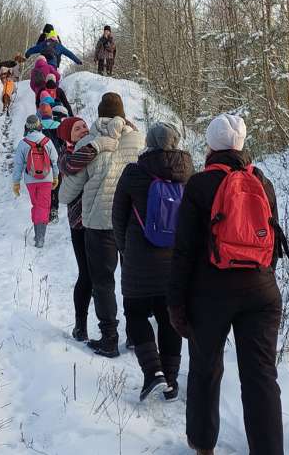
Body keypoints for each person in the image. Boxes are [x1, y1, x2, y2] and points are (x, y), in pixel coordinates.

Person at [167, 113, 285, 455]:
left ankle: (203, 445)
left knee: (205, 369)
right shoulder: (262, 181)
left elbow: (183, 251)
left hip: (210, 293)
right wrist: (261, 278)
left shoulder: (199, 185)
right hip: (261, 291)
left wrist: (176, 303)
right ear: (241, 145)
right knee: (261, 376)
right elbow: (273, 246)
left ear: (210, 146)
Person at [112, 122, 192, 401]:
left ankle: (153, 372)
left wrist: (125, 250)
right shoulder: (187, 173)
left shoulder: (133, 173)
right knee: (168, 317)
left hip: (139, 257)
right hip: (174, 260)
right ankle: (171, 380)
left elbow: (118, 217)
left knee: (135, 313)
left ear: (148, 142)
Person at [59, 93, 143, 357]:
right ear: (123, 114)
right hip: (131, 222)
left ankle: (109, 339)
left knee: (103, 282)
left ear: (99, 114)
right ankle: (135, 336)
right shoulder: (139, 140)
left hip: (98, 223)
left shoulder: (89, 143)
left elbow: (66, 194)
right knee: (132, 280)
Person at [57, 116, 92, 340]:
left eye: (84, 126)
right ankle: (81, 326)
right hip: (79, 222)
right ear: (67, 136)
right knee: (86, 274)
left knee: (101, 275)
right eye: (77, 128)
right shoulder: (65, 156)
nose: (83, 130)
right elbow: (72, 165)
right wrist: (97, 147)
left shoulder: (93, 146)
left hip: (99, 220)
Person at [12, 115, 60, 248]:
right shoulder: (47, 141)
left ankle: (37, 234)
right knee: (43, 206)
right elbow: (55, 161)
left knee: (36, 205)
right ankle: (40, 237)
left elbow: (18, 165)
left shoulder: (23, 143)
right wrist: (56, 176)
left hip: (30, 180)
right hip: (46, 179)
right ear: (39, 126)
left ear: (27, 127)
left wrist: (16, 182)